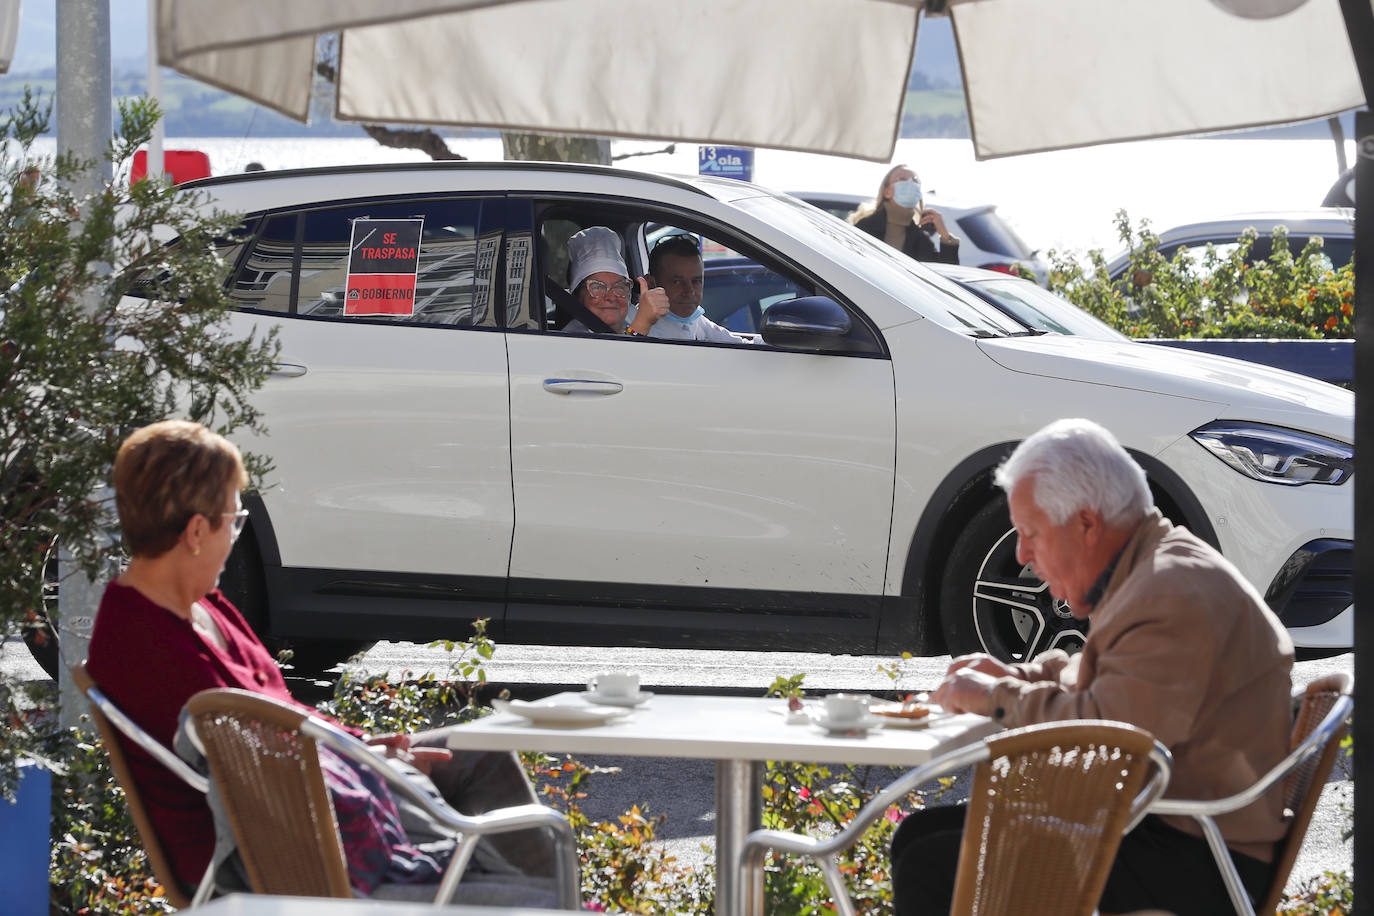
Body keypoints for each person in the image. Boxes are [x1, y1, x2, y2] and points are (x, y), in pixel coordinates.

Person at [86, 420, 556, 904]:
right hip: (275, 858)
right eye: (235, 521)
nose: (235, 537)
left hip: (305, 801)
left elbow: (280, 718)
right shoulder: (143, 643)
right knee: (538, 900)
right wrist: (374, 763)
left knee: (480, 754)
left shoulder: (202, 606)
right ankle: (523, 897)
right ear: (197, 531)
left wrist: (367, 748)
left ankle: (522, 892)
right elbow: (260, 771)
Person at [890, 418, 1294, 916]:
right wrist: (1014, 677)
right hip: (1174, 831)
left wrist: (999, 700)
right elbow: (1107, 680)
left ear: (1085, 523)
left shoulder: (1170, 589)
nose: (1021, 554)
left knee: (933, 860)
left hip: (1199, 862)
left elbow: (1109, 732)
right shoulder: (1158, 568)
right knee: (925, 836)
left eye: (1031, 533)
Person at [560, 225, 670, 335]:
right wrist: (642, 323)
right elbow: (620, 352)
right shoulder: (572, 337)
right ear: (577, 295)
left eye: (619, 286)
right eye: (597, 287)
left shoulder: (628, 322)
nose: (611, 297)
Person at [636, 234, 743, 342]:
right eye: (677, 282)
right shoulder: (635, 322)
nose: (690, 291)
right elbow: (624, 350)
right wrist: (641, 324)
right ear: (650, 283)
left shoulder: (696, 322)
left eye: (696, 281)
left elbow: (740, 345)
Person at [850, 164, 960, 263]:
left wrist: (945, 236)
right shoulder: (865, 227)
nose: (910, 184)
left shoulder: (921, 239)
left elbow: (945, 276)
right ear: (887, 192)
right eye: (902, 179)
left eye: (915, 180)